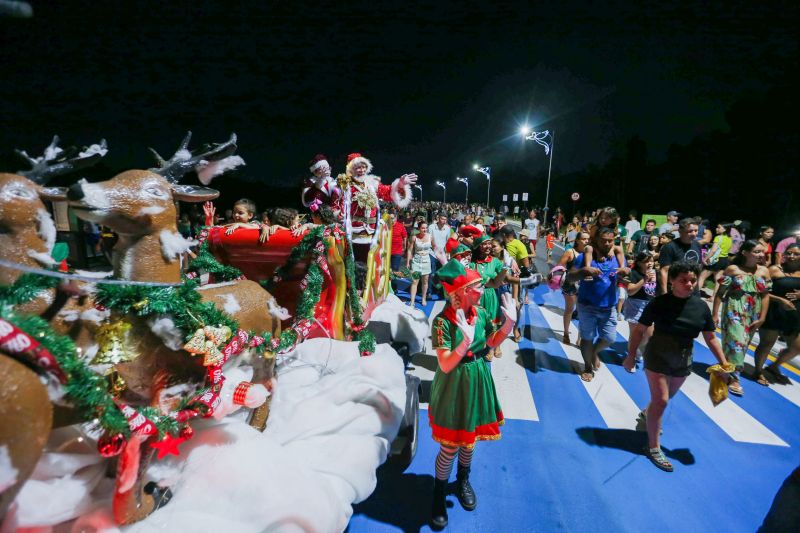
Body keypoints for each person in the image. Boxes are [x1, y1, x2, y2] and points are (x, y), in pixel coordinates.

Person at [428, 260, 517, 529]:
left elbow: (490, 342)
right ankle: (438, 493)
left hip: (478, 377)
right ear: (462, 291)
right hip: (455, 382)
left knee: (470, 440)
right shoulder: (442, 322)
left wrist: (507, 326)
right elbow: (444, 364)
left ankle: (463, 479)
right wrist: (463, 343)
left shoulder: (478, 312)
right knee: (450, 444)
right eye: (476, 285)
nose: (482, 288)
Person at [623, 261, 731, 472]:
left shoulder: (700, 306)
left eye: (692, 280)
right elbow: (639, 330)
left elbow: (711, 338)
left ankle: (648, 413)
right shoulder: (659, 303)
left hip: (683, 359)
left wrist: (724, 363)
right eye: (683, 280)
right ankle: (653, 447)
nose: (690, 284)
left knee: (664, 398)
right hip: (657, 356)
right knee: (661, 401)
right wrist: (630, 355)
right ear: (671, 280)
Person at [567, 227, 626, 382]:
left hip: (609, 307)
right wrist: (584, 271)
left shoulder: (617, 256)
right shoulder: (586, 256)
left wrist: (626, 275)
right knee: (587, 338)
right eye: (603, 240)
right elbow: (570, 277)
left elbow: (626, 275)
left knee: (609, 338)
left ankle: (593, 352)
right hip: (587, 305)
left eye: (610, 240)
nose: (607, 243)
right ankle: (587, 367)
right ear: (596, 240)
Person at [712, 240, 771, 396]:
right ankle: (734, 378)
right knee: (737, 341)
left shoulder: (764, 271)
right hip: (734, 309)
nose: (761, 254)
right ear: (745, 252)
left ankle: (725, 367)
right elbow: (720, 292)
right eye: (757, 251)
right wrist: (714, 314)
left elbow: (765, 296)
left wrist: (762, 317)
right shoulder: (733, 269)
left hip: (753, 311)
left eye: (761, 251)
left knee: (743, 344)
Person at [752, 243, 800, 385]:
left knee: (797, 347)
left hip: (794, 315)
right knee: (766, 344)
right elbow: (758, 289)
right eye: (789, 253)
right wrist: (780, 300)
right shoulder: (774, 270)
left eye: (796, 254)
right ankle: (758, 371)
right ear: (784, 254)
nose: (791, 256)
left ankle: (774, 366)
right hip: (773, 312)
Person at [341, 152, 416, 240]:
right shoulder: (344, 185)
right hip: (353, 232)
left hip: (373, 233)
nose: (362, 170)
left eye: (363, 167)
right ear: (351, 169)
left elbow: (388, 192)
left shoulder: (373, 184)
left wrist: (400, 184)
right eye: (358, 167)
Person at [470, 235, 507, 358]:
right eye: (484, 244)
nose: (488, 246)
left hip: (490, 294)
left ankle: (495, 346)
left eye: (489, 244)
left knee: (493, 322)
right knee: (478, 321)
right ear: (477, 246)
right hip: (476, 295)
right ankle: (483, 343)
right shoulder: (471, 261)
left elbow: (505, 276)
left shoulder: (495, 261)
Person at [622, 251, 658, 371]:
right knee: (635, 334)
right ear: (639, 263)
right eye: (646, 261)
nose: (650, 263)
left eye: (651, 260)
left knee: (649, 334)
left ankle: (637, 351)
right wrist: (645, 279)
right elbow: (630, 291)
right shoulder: (634, 273)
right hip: (635, 304)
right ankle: (631, 358)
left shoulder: (655, 273)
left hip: (650, 306)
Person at [556, 231, 589, 344]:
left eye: (588, 239)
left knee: (582, 312)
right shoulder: (570, 252)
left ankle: (580, 338)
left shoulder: (590, 253)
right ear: (578, 240)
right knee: (569, 309)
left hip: (585, 284)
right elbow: (559, 266)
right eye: (584, 239)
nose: (586, 241)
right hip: (571, 285)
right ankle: (566, 333)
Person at [657, 218, 703, 295]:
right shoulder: (670, 247)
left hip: (692, 290)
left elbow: (698, 267)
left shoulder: (697, 245)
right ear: (680, 231)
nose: (694, 234)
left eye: (696, 230)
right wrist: (664, 292)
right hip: (675, 289)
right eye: (690, 231)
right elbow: (664, 271)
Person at [697, 222, 733, 296]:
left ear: (725, 229)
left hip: (715, 260)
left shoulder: (718, 238)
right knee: (718, 279)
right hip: (724, 260)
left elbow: (713, 250)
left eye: (719, 227)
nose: (717, 229)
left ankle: (695, 294)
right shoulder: (730, 239)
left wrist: (705, 259)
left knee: (702, 277)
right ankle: (713, 297)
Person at [407, 221, 432, 307]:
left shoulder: (430, 237)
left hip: (426, 260)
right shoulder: (414, 237)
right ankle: (412, 301)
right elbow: (410, 250)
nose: (424, 229)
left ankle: (423, 298)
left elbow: (436, 249)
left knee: (425, 281)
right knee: (415, 281)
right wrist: (408, 262)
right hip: (416, 261)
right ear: (419, 229)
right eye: (422, 228)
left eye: (426, 228)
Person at [388, 210, 408, 291]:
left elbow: (405, 237)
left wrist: (404, 247)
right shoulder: (385, 226)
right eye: (389, 218)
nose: (391, 220)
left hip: (397, 252)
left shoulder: (400, 226)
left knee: (395, 269)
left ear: (396, 218)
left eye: (392, 218)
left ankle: (394, 288)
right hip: (386, 251)